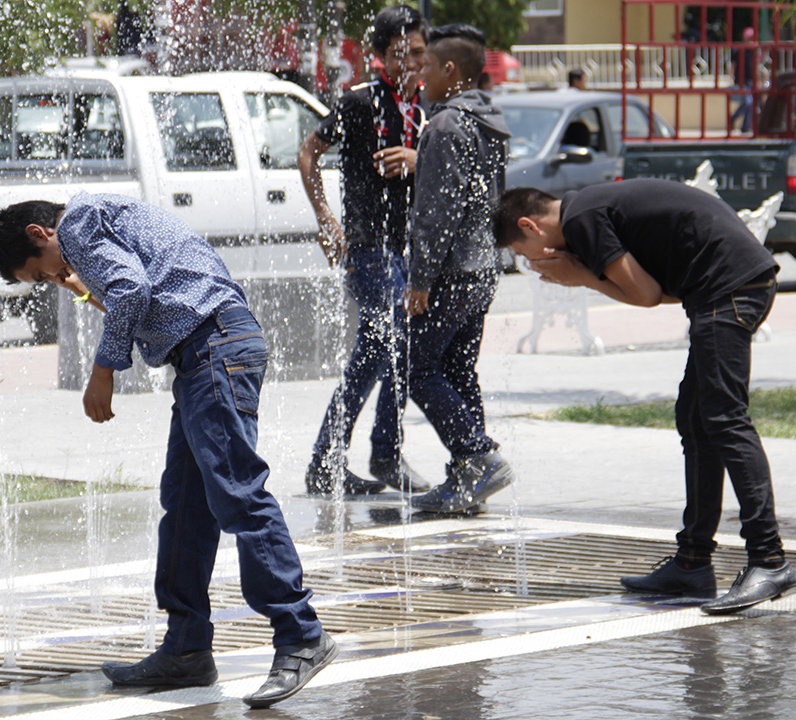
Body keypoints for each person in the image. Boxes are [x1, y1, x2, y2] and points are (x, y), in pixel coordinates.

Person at [0, 192, 337, 708]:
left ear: (40, 235)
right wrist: (82, 289)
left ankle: (301, 634)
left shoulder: (78, 222)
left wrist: (102, 370)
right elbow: (142, 295)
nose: (49, 281)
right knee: (187, 508)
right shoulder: (95, 224)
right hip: (206, 355)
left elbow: (132, 289)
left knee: (238, 496)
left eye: (40, 275)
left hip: (214, 350)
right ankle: (186, 649)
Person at [494, 179, 795, 615]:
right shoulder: (589, 207)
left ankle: (769, 559)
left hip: (728, 287)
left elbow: (646, 295)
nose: (533, 263)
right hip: (726, 286)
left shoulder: (581, 220)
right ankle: (692, 563)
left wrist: (581, 277)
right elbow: (659, 287)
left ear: (531, 226)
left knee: (725, 419)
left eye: (524, 253)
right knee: (696, 419)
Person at [297, 5, 431, 496]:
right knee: (391, 343)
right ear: (379, 55)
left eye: (419, 52)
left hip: (406, 250)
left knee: (380, 352)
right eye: (402, 54)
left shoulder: (424, 108)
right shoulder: (361, 102)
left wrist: (419, 159)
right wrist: (326, 219)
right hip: (369, 249)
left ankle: (338, 459)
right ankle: (376, 454)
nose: (413, 62)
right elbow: (307, 152)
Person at [403, 24, 515, 515]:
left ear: (450, 71)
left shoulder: (447, 125)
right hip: (483, 266)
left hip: (450, 270)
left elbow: (436, 211)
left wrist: (420, 279)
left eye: (426, 65)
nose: (419, 73)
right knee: (457, 369)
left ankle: (477, 456)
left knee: (416, 365)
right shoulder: (490, 121)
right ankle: (466, 482)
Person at [729, 27, 757, 133]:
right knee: (749, 102)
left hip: (750, 80)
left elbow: (754, 66)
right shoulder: (738, 50)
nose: (750, 40)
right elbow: (733, 65)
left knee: (750, 103)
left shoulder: (752, 51)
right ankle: (736, 120)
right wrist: (731, 78)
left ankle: (744, 126)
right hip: (740, 80)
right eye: (749, 38)